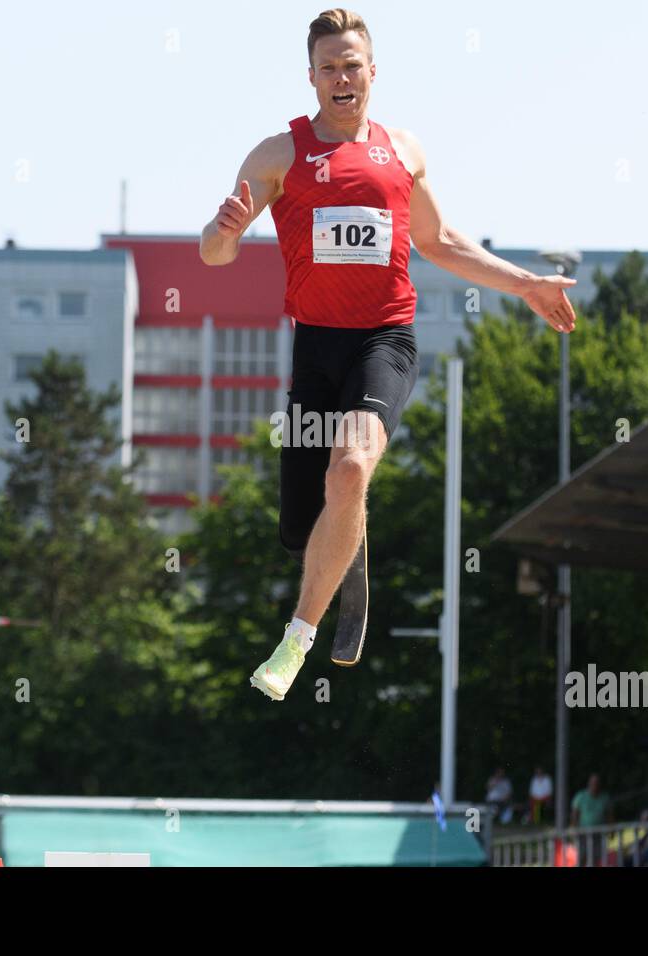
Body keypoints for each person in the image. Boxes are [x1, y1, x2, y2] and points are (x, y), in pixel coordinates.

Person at [200, 8, 577, 701]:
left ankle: (296, 639)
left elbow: (440, 242)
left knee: (349, 466)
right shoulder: (277, 155)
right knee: (298, 528)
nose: (342, 78)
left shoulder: (401, 151)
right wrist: (220, 231)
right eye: (328, 68)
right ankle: (349, 522)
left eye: (353, 65)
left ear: (373, 72)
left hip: (385, 340)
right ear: (310, 77)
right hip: (315, 349)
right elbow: (215, 254)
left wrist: (525, 283)